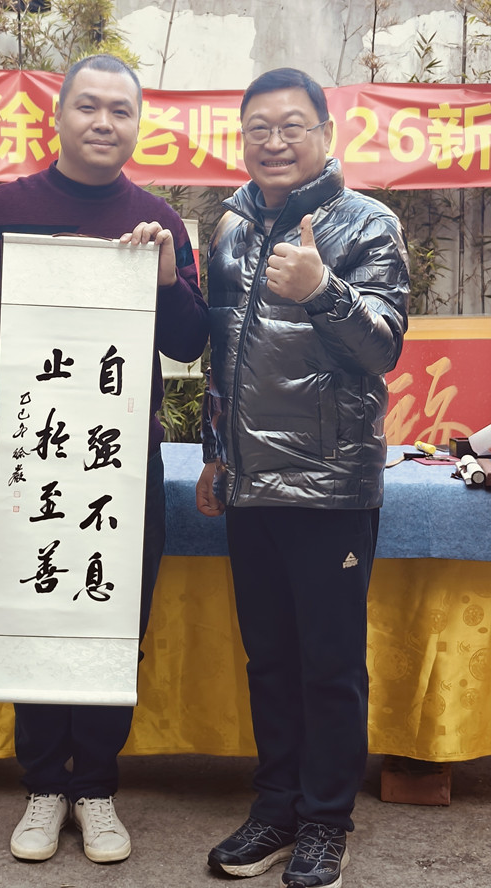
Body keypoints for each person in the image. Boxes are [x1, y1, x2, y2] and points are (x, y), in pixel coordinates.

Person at [0, 54, 208, 865]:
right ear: (59, 115)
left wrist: (165, 281)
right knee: (36, 614)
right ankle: (45, 787)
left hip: (121, 467)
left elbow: (190, 341)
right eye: (88, 106)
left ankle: (99, 789)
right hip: (28, 461)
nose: (103, 121)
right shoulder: (0, 210)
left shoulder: (159, 220)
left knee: (113, 622)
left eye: (120, 109)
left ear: (137, 123)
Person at [196, 68, 409, 888]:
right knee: (270, 662)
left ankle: (326, 821)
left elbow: (383, 347)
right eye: (259, 127)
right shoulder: (229, 227)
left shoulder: (368, 223)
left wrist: (323, 290)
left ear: (326, 133)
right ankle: (277, 809)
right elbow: (221, 353)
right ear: (242, 138)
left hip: (330, 486)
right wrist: (217, 451)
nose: (275, 141)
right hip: (251, 486)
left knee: (329, 666)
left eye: (292, 126)